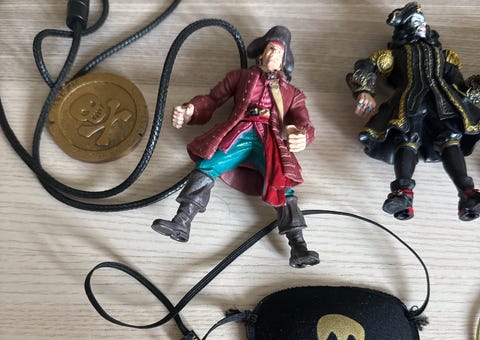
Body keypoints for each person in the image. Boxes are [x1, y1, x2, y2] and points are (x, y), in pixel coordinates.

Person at [152, 26, 319, 268]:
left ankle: (299, 246)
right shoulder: (240, 77)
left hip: (268, 141)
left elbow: (304, 122)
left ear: (284, 61)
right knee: (207, 166)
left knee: (282, 185)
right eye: (270, 49)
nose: (273, 55)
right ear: (261, 53)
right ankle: (182, 221)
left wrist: (301, 135)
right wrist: (191, 110)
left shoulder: (293, 93)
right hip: (238, 134)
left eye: (279, 53)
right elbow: (212, 99)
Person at [346, 2, 480, 220]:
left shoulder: (444, 56)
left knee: (450, 137)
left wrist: (474, 90)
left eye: (422, 21)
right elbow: (366, 67)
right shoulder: (391, 56)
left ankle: (467, 193)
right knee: (406, 137)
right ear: (404, 29)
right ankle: (402, 193)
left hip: (444, 100)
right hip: (409, 100)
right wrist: (364, 90)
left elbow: (458, 84)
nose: (421, 25)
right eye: (415, 21)